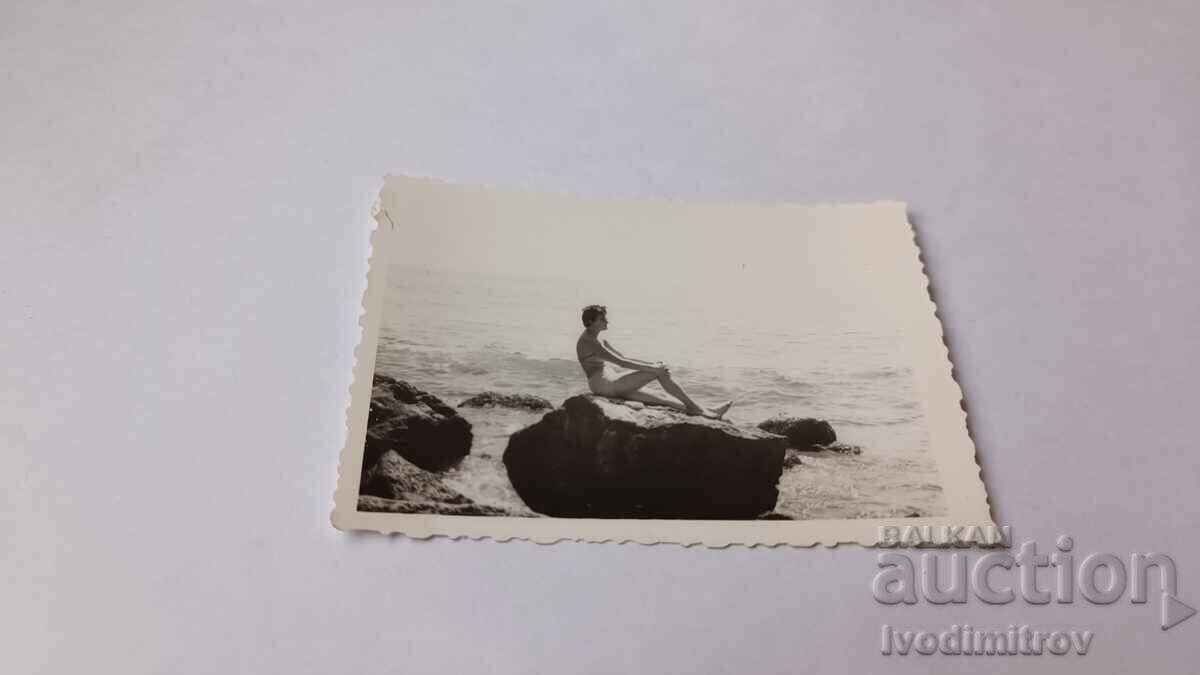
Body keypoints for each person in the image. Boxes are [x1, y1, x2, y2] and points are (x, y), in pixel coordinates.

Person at [575, 304, 733, 419]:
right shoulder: (591, 343)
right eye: (602, 319)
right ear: (591, 322)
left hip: (610, 382)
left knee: (660, 397)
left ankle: (706, 410)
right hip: (607, 386)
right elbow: (622, 363)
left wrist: (652, 365)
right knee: (659, 374)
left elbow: (624, 357)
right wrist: (654, 369)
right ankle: (695, 408)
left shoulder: (596, 339)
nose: (606, 321)